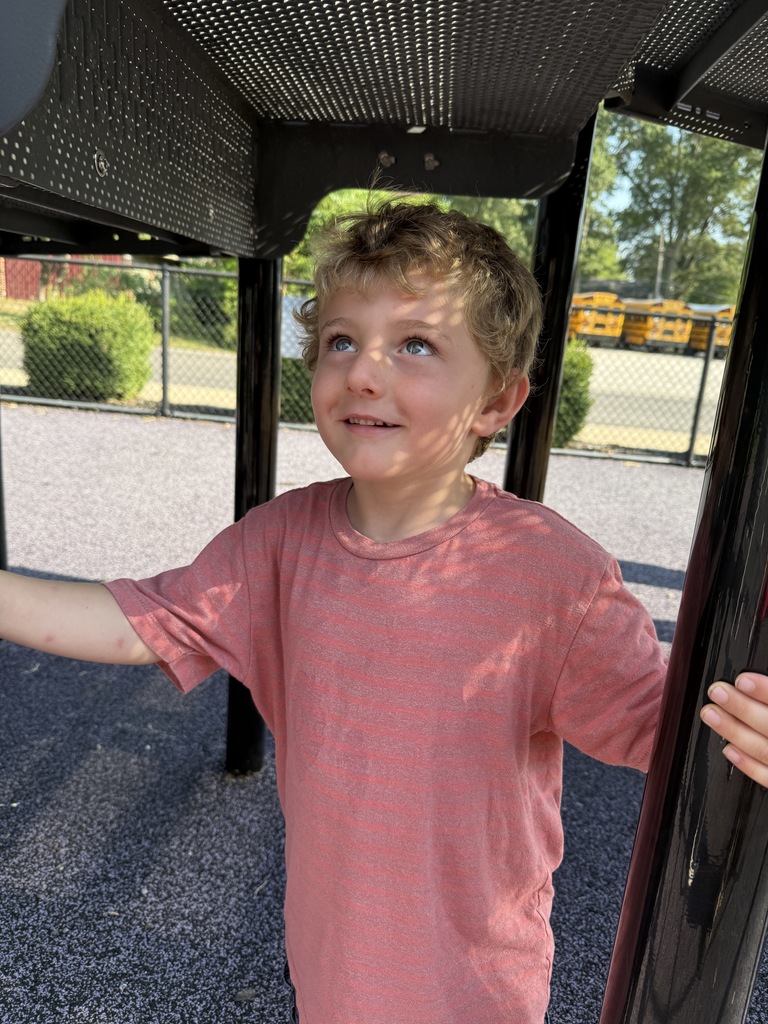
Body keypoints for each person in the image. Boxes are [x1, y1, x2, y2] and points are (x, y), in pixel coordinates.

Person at [1, 199, 767, 1024]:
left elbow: (671, 728)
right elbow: (136, 622)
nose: (364, 370)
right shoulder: (280, 541)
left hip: (475, 987)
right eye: (341, 340)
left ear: (496, 403)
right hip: (333, 964)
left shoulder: (553, 577)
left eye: (416, 343)